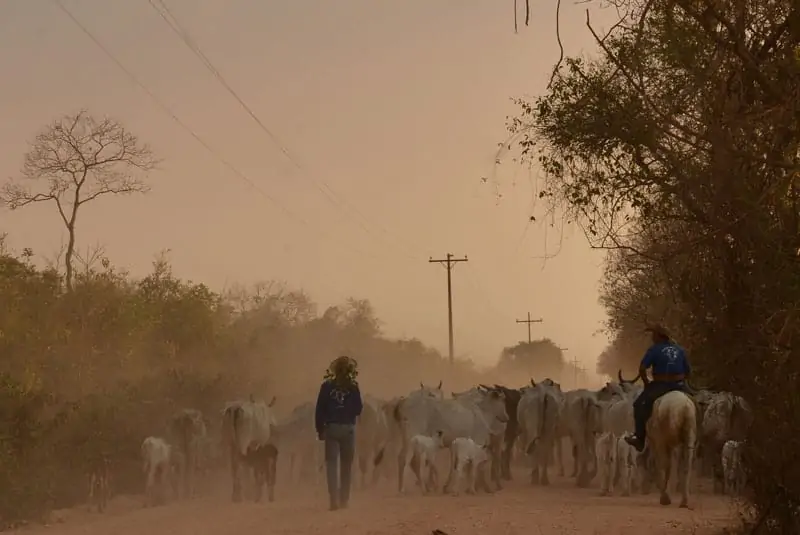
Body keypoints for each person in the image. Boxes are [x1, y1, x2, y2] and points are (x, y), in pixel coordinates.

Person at [624, 325, 692, 453]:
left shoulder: (654, 350)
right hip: (679, 385)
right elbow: (688, 371)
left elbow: (642, 369)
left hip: (661, 385)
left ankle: (639, 438)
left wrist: (646, 383)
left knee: (638, 405)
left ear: (660, 336)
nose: (652, 338)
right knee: (698, 403)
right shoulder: (680, 349)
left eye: (654, 335)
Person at [315, 355, 363, 511]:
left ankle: (333, 501)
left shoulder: (327, 386)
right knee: (346, 466)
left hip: (331, 428)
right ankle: (344, 500)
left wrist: (320, 429)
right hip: (348, 429)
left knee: (332, 466)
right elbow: (358, 409)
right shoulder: (353, 386)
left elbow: (319, 409)